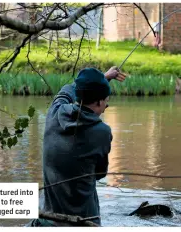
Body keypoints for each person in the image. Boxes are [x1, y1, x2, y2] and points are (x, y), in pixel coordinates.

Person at [28, 66, 126, 227]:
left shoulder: (54, 112)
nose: (107, 106)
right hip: (85, 222)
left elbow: (68, 88)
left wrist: (103, 77)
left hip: (48, 220)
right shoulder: (102, 132)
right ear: (99, 102)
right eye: (107, 100)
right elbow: (100, 174)